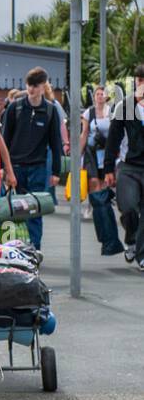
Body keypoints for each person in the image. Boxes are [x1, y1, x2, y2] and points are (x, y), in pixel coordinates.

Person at [0, 67, 63, 249]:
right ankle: (14, 245)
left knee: (34, 209)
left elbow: (56, 142)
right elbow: (5, 139)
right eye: (29, 85)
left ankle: (34, 247)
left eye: (36, 85)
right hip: (16, 167)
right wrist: (4, 166)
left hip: (38, 166)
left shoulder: (50, 110)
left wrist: (56, 171)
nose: (31, 89)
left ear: (43, 86)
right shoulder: (15, 108)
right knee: (15, 208)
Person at [104, 64, 144, 270]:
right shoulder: (125, 107)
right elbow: (113, 140)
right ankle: (132, 240)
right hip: (129, 167)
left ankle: (141, 254)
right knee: (128, 207)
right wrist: (108, 169)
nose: (141, 85)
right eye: (138, 81)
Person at [80, 86, 123, 256]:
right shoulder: (88, 113)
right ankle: (107, 238)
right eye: (97, 94)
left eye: (102, 94)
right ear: (94, 97)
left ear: (106, 96)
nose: (99, 96)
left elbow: (119, 133)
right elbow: (84, 134)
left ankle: (109, 238)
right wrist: (78, 156)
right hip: (91, 155)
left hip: (107, 156)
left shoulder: (113, 111)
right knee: (96, 191)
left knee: (104, 191)